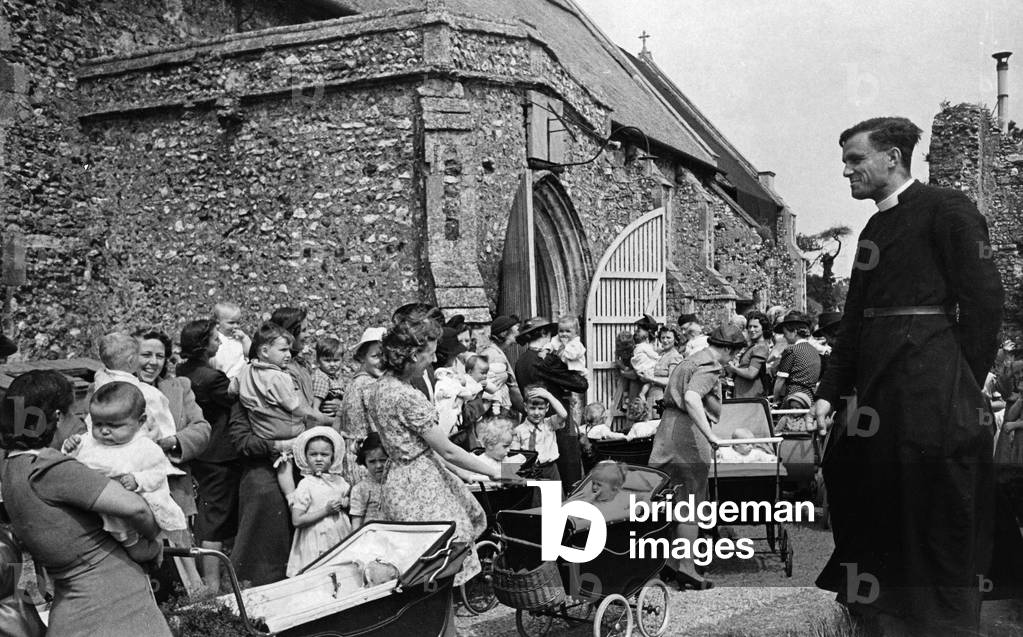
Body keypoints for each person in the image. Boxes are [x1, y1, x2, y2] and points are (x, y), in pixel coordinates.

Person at [810, 117, 1011, 634]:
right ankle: (881, 615)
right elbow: (854, 319)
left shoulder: (948, 210)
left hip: (932, 392)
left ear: (893, 157)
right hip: (878, 392)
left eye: (856, 159)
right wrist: (828, 393)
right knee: (863, 486)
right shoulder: (875, 227)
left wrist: (957, 379)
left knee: (933, 505)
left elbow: (985, 303)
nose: (846, 170)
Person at [1, 371, 171, 637]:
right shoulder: (49, 468)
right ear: (57, 418)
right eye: (75, 414)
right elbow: (135, 508)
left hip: (72, 605)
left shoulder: (12, 468)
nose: (80, 422)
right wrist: (153, 539)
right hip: (115, 602)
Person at [364, 311, 504, 596]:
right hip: (420, 484)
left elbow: (425, 449)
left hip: (399, 481)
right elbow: (448, 450)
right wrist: (496, 471)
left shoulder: (378, 388)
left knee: (421, 564)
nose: (433, 359)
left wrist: (466, 472)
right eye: (429, 353)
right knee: (444, 557)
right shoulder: (407, 396)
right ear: (414, 355)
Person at [649, 324, 746, 590]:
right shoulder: (710, 365)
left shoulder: (688, 360)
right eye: (734, 353)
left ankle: (669, 562)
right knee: (690, 501)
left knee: (667, 499)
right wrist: (711, 435)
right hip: (687, 434)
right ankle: (687, 567)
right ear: (725, 348)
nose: (733, 359)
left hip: (666, 430)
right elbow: (692, 398)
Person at [71, 383, 188, 556]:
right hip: (94, 505)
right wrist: (71, 446)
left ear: (140, 421)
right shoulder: (89, 441)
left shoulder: (145, 448)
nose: (104, 431)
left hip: (128, 511)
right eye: (97, 424)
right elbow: (72, 460)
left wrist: (137, 480)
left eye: (114, 425)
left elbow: (158, 474)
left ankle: (138, 547)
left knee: (128, 530)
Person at [176, 318, 240, 594]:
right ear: (203, 346)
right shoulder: (213, 378)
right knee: (215, 519)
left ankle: (211, 580)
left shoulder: (183, 370)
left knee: (208, 514)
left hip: (201, 453)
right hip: (219, 454)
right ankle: (212, 585)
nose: (219, 342)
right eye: (215, 338)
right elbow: (236, 397)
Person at [238, 322, 333, 497]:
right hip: (285, 433)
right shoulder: (280, 377)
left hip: (262, 431)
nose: (289, 355)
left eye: (289, 350)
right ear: (265, 351)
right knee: (296, 457)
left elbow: (232, 390)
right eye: (283, 350)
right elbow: (294, 406)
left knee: (283, 461)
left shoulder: (246, 370)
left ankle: (292, 496)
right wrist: (321, 418)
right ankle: (298, 496)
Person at [286, 427, 352, 577]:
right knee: (318, 573)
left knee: (342, 570)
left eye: (324, 454)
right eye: (313, 454)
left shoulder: (339, 481)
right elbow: (297, 520)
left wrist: (345, 503)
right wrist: (325, 511)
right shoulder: (306, 484)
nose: (318, 458)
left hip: (339, 533)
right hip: (315, 537)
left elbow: (347, 501)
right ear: (306, 457)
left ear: (333, 457)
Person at [93, 332, 176, 441]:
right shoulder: (150, 394)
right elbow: (166, 433)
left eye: (160, 356)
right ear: (131, 360)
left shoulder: (100, 380)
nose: (154, 362)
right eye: (145, 355)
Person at [339, 326, 385, 485]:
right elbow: (377, 428)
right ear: (362, 357)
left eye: (386, 356)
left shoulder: (356, 381)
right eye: (376, 356)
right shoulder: (368, 385)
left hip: (356, 455)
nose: (382, 362)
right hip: (367, 458)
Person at [512, 385, 568, 493]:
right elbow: (514, 455)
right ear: (525, 407)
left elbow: (564, 414)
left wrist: (548, 395)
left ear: (547, 408)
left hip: (550, 470)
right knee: (534, 505)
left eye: (541, 408)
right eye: (532, 408)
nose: (537, 413)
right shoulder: (518, 430)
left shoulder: (550, 423)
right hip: (529, 471)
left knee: (554, 504)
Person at [771, 310, 821, 412]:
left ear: (794, 332)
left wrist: (775, 401)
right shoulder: (814, 350)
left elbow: (780, 380)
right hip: (809, 398)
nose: (784, 336)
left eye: (785, 333)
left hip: (793, 398)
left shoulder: (791, 350)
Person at [477, 315, 523, 413]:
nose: (518, 332)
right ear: (504, 333)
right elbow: (497, 390)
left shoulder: (493, 352)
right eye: (515, 329)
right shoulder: (496, 356)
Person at [638, 325, 685, 414]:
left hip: (663, 398)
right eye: (662, 337)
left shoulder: (675, 357)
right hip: (651, 395)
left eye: (668, 337)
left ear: (675, 339)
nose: (665, 340)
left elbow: (672, 381)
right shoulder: (659, 354)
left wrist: (650, 379)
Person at [726, 311, 772, 398]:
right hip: (743, 393)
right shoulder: (753, 346)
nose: (751, 330)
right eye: (750, 326)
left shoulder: (760, 347)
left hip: (750, 394)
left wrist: (734, 369)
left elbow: (751, 373)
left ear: (763, 328)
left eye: (755, 327)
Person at [349, 432, 387, 530]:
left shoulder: (396, 483)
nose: (378, 465)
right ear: (365, 462)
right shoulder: (360, 489)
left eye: (383, 460)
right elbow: (356, 524)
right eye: (372, 461)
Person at [210, 301, 251, 380]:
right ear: (218, 323)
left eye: (238, 323)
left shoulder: (240, 337)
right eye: (231, 323)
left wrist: (245, 339)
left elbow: (250, 353)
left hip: (242, 378)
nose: (236, 326)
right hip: (222, 377)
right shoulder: (216, 337)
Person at [311, 337, 345, 415]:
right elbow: (315, 407)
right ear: (318, 359)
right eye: (327, 360)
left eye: (336, 360)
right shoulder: (321, 378)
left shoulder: (334, 377)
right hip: (325, 420)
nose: (332, 364)